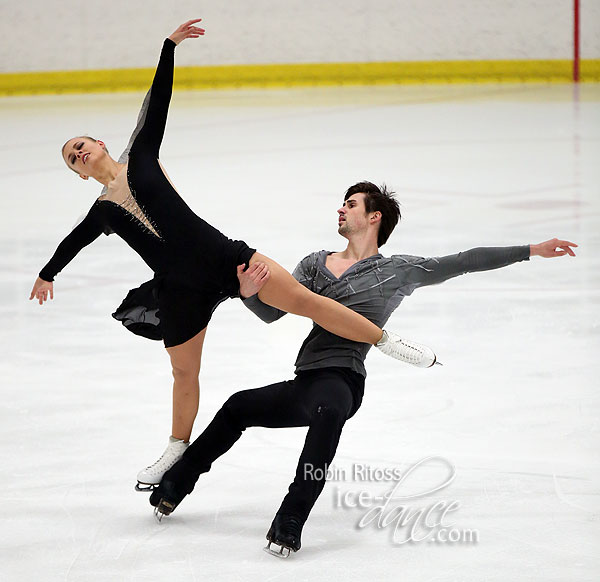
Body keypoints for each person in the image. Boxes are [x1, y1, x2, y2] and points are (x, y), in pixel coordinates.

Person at [28, 21, 434, 491]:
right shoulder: (101, 211)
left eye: (80, 145)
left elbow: (155, 103)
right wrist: (46, 274)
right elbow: (72, 242)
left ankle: (385, 341)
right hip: (180, 289)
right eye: (71, 158)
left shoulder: (142, 153)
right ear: (79, 175)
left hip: (226, 258)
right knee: (184, 372)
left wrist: (169, 48)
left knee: (304, 302)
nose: (78, 154)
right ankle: (176, 450)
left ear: (99, 143)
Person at [148, 181, 577, 556]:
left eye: (350, 203)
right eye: (342, 202)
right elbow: (272, 315)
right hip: (307, 380)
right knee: (238, 406)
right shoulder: (315, 265)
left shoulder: (399, 270)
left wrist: (530, 251)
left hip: (342, 382)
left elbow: (463, 260)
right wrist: (249, 294)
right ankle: (173, 487)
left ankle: (290, 520)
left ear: (374, 217)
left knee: (327, 412)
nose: (341, 208)